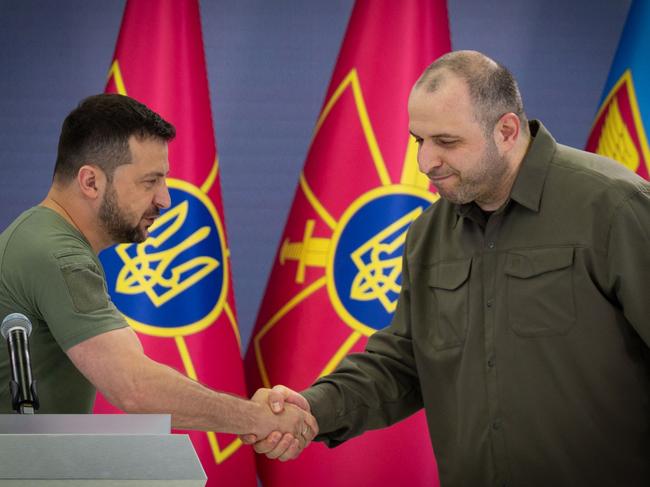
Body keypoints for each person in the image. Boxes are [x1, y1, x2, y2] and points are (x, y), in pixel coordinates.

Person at [247, 50, 650, 485]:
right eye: (420, 141)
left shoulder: (611, 205)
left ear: (507, 131)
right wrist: (316, 407)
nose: (426, 162)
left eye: (447, 142)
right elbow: (404, 363)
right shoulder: (428, 234)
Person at [0, 94, 317, 447]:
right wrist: (254, 418)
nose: (165, 199)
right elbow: (135, 387)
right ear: (90, 182)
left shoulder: (42, 237)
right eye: (149, 182)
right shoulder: (57, 255)